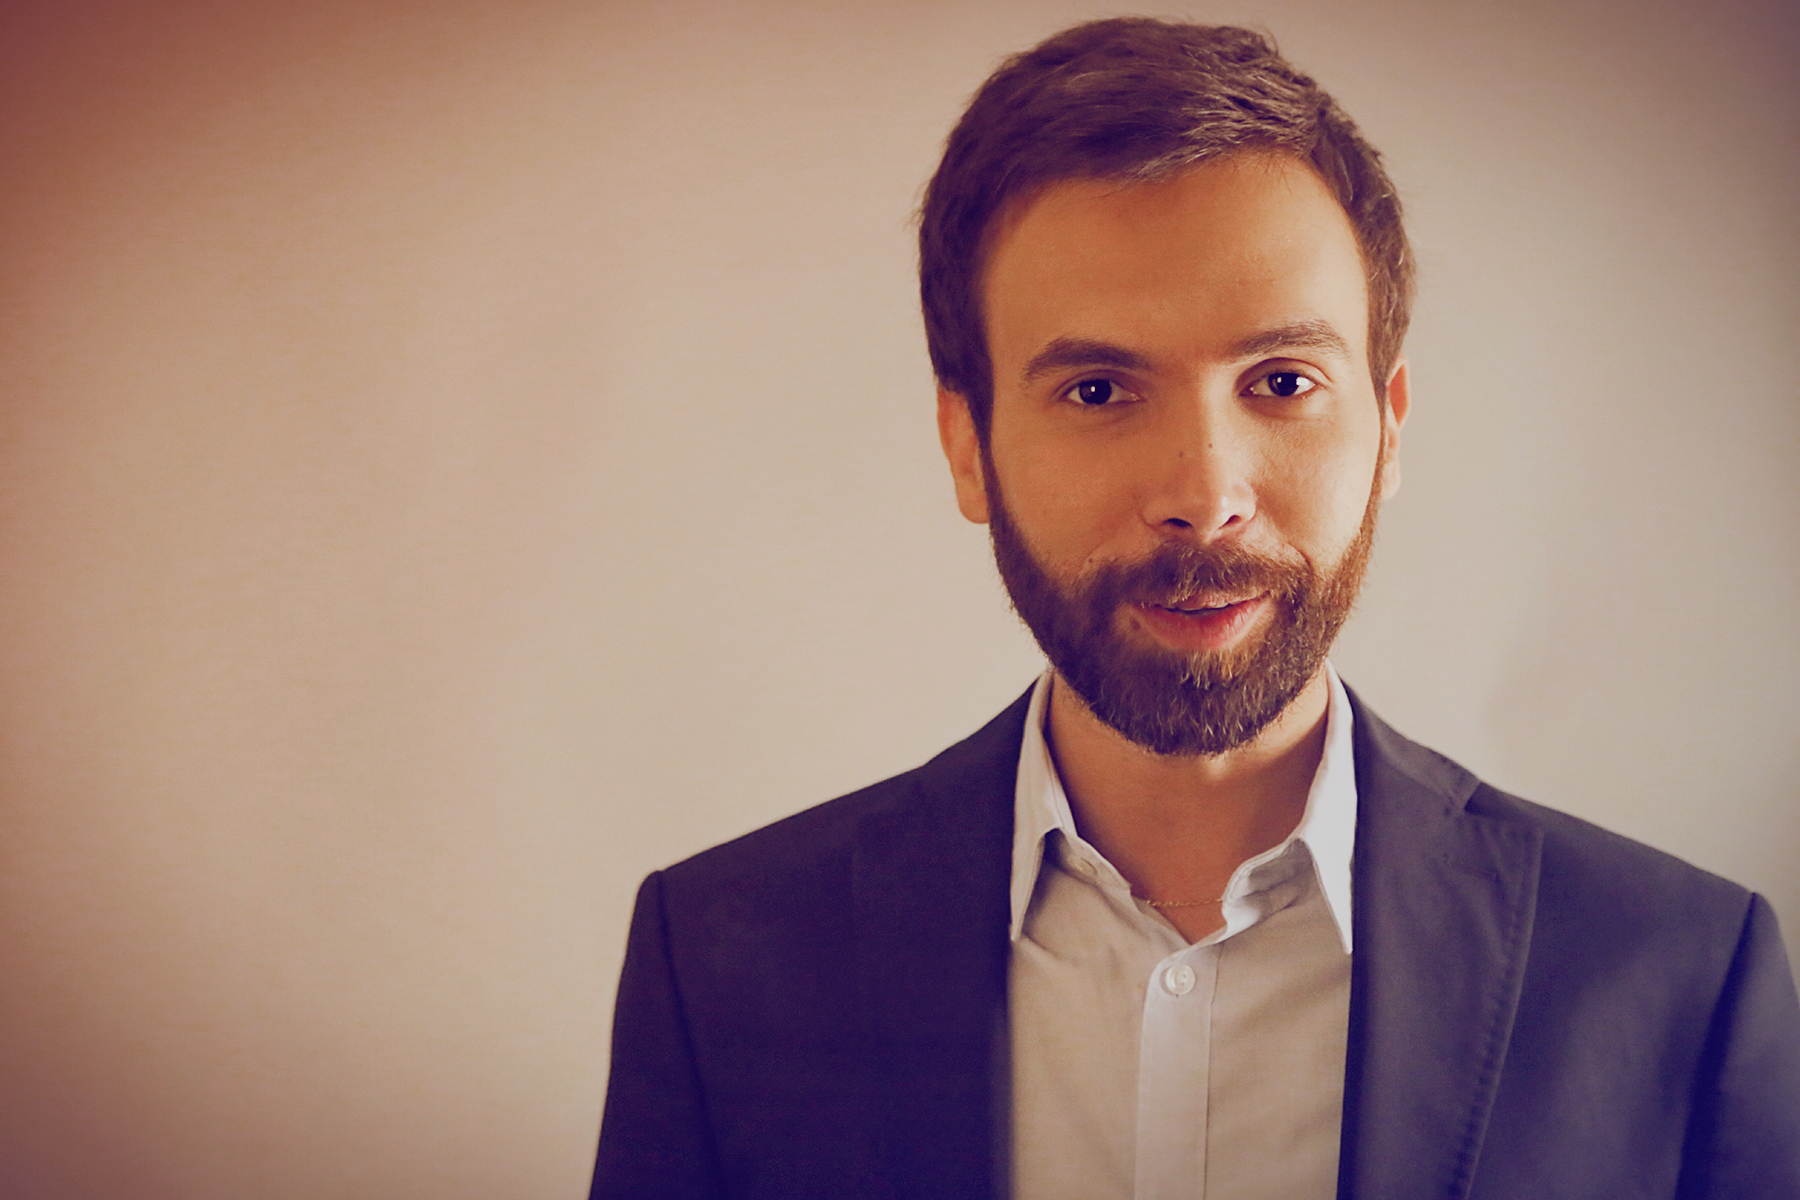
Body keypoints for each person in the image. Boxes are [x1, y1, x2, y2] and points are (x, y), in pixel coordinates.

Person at [589, 18, 1800, 1200]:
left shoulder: (1682, 973)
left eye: (1282, 381)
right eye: (1098, 389)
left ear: (1389, 430)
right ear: (967, 447)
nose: (1205, 496)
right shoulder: (720, 964)